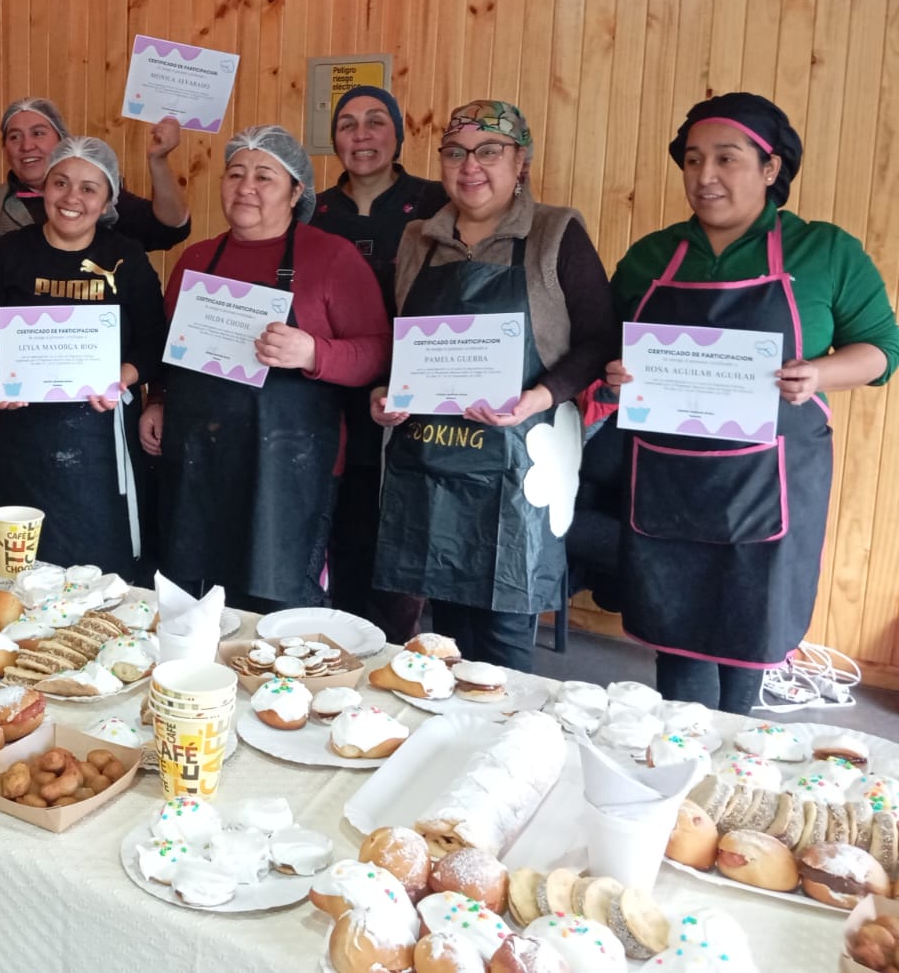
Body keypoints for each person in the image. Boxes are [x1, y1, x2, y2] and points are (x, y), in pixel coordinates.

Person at [604, 93, 899, 714]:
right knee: (675, 649)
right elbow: (605, 348)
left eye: (726, 159)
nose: (704, 176)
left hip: (770, 487)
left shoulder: (824, 251)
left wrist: (818, 373)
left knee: (749, 652)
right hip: (666, 481)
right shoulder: (652, 257)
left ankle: (737, 774)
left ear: (771, 169)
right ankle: (679, 775)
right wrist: (614, 374)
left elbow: (881, 350)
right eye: (691, 160)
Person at [371, 101, 618, 674]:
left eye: (490, 151)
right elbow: (399, 338)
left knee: (505, 640)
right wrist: (383, 393)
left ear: (521, 162)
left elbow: (599, 341)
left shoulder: (556, 232)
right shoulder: (417, 239)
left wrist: (541, 395)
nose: (470, 166)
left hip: (519, 464)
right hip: (428, 459)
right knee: (445, 641)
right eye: (455, 152)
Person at [139, 126, 389, 609]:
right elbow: (172, 352)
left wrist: (314, 353)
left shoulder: (332, 257)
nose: (245, 186)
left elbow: (379, 351)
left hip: (288, 473)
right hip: (198, 466)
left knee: (275, 614)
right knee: (189, 601)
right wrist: (158, 400)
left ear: (297, 191)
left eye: (264, 176)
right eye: (235, 173)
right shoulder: (196, 258)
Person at [0, 136, 166, 577]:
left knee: (104, 569)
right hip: (20, 433)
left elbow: (152, 343)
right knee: (22, 564)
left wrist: (121, 376)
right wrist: (3, 372)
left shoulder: (125, 256)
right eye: (61, 183)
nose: (72, 197)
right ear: (44, 188)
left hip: (101, 438)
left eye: (89, 188)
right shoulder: (8, 254)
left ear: (108, 197)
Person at [311, 85, 446, 642]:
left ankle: (396, 650)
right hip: (331, 390)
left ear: (398, 133)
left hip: (411, 393)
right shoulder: (313, 210)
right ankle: (342, 645)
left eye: (375, 122)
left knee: (400, 533)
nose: (361, 135)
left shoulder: (438, 202)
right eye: (347, 124)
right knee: (344, 524)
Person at [0, 98, 191, 251]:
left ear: (62, 140)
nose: (27, 146)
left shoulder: (99, 198)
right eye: (14, 137)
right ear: (4, 149)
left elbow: (169, 229)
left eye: (38, 133)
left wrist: (158, 160)